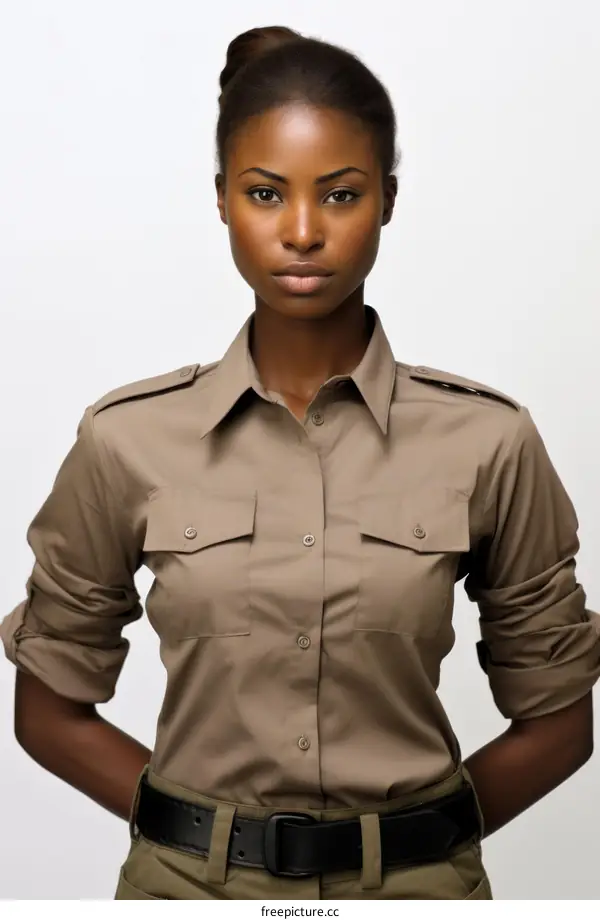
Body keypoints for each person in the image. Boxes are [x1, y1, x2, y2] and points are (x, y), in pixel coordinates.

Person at [2, 24, 599, 902]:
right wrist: (196, 838)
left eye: (342, 194)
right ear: (221, 200)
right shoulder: (126, 439)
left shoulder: (489, 441)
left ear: (388, 200)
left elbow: (560, 722)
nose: (304, 231)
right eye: (265, 193)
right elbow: (48, 710)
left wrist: (421, 846)